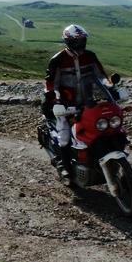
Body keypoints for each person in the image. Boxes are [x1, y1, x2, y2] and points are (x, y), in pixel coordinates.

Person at [43, 24, 116, 177]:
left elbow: (101, 75)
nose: (81, 43)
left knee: (100, 127)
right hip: (66, 104)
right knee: (64, 135)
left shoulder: (90, 56)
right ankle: (64, 166)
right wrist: (55, 99)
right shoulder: (58, 60)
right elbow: (51, 84)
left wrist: (111, 87)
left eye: (83, 40)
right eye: (77, 40)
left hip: (88, 101)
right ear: (68, 41)